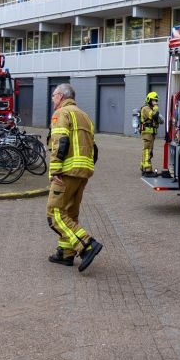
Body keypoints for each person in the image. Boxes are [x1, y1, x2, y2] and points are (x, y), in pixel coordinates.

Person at [46, 83, 102, 272]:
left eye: (54, 95)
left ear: (61, 96)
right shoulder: (85, 116)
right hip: (83, 172)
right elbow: (94, 149)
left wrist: (55, 170)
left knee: (54, 214)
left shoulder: (61, 113)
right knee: (69, 214)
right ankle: (66, 253)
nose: (52, 99)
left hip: (66, 172)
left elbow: (59, 142)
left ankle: (86, 244)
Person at [138, 91, 161, 177]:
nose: (155, 102)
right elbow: (153, 115)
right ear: (149, 100)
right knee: (147, 151)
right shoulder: (146, 109)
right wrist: (156, 107)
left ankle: (143, 168)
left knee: (148, 151)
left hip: (151, 133)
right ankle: (147, 171)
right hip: (147, 133)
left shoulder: (150, 108)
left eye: (156, 100)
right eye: (153, 100)